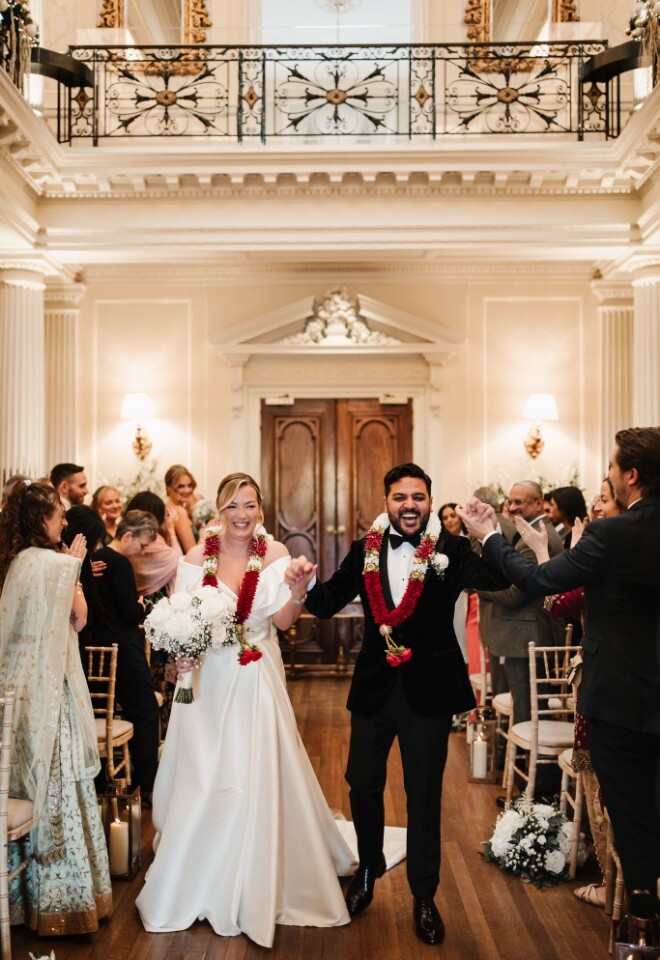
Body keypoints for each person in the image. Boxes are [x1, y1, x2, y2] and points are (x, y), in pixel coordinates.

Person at [136, 473, 403, 948]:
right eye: (233, 506)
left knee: (253, 774)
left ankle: (255, 871)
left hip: (257, 676)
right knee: (204, 776)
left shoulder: (277, 556)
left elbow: (282, 621)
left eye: (250, 505)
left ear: (261, 509)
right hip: (207, 683)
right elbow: (180, 623)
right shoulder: (195, 560)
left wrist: (298, 588)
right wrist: (179, 657)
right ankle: (199, 870)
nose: (242, 514)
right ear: (218, 510)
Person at [285, 463, 510, 945]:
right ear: (386, 502)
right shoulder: (364, 549)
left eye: (419, 497)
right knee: (361, 783)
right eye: (400, 497)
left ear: (430, 501)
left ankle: (424, 896)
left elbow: (496, 577)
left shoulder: (451, 550)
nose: (410, 505)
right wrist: (301, 582)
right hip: (374, 687)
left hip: (427, 690)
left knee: (423, 793)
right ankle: (368, 868)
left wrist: (488, 532)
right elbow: (325, 602)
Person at [457, 427, 660, 900]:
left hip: (620, 696)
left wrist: (489, 537)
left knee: (630, 812)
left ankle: (643, 918)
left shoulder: (612, 533)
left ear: (631, 475)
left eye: (612, 468)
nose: (608, 475)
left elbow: (539, 578)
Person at [0, 480, 112, 935]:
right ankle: (63, 900)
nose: (64, 521)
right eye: (58, 514)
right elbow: (80, 619)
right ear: (39, 520)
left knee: (18, 776)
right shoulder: (54, 565)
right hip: (51, 690)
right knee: (58, 782)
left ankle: (17, 901)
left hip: (15, 687)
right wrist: (74, 569)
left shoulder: (13, 562)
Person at [511, 476, 624, 909]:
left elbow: (560, 604)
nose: (595, 504)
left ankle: (613, 885)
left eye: (603, 496)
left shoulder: (605, 548)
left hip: (604, 683)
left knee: (602, 782)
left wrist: (544, 555)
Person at [92, 510, 160, 801]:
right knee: (146, 712)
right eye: (142, 545)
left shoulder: (98, 558)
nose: (142, 551)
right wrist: (142, 606)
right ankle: (148, 786)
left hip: (102, 646)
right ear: (128, 535)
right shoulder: (118, 562)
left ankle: (112, 782)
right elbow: (130, 612)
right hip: (124, 646)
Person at [164, 464, 197, 553]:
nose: (187, 490)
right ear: (168, 489)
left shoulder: (168, 507)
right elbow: (192, 551)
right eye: (181, 486)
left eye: (189, 485)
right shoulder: (179, 511)